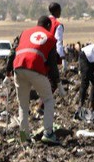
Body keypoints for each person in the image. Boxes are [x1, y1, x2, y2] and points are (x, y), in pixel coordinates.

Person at [6, 16, 60, 145]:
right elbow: (52, 64)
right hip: (35, 69)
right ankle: (48, 133)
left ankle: (24, 136)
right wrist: (56, 81)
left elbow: (13, 51)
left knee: (23, 105)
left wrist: (8, 70)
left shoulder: (24, 33)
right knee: (48, 100)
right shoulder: (50, 38)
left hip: (18, 68)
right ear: (48, 26)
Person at [48, 2, 66, 71]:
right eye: (60, 10)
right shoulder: (58, 25)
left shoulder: (44, 21)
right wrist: (61, 55)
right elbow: (58, 41)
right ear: (57, 11)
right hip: (51, 52)